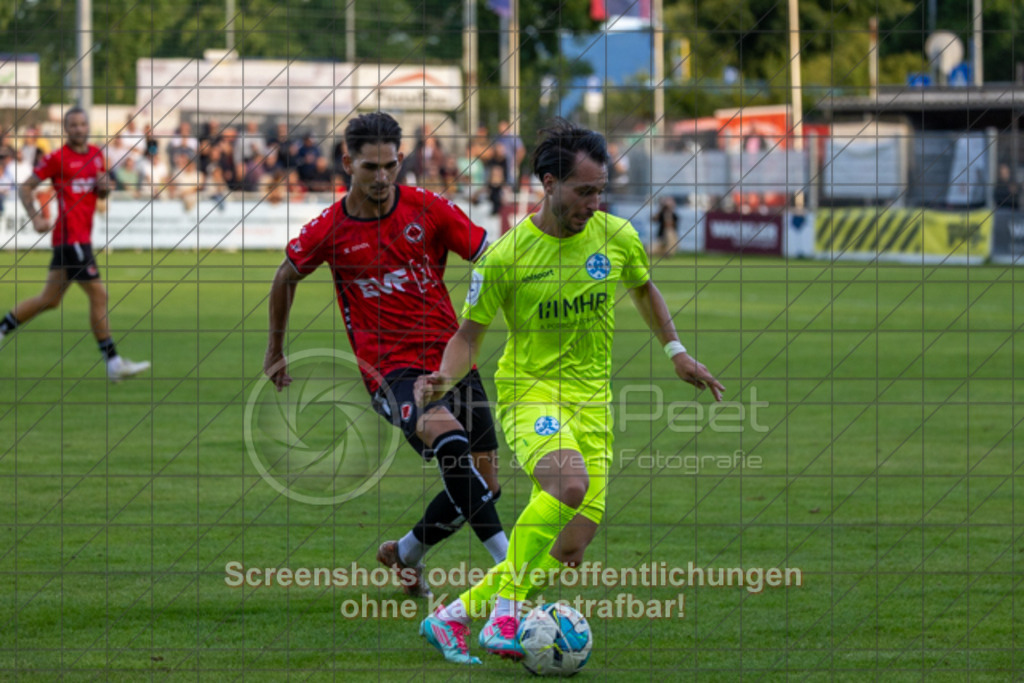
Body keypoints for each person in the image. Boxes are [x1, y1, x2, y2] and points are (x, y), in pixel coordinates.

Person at [417, 119, 725, 665]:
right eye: (584, 191)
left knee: (571, 545)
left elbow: (644, 289)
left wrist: (676, 351)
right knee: (568, 484)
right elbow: (468, 335)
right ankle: (506, 613)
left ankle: (453, 615)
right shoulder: (506, 257)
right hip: (530, 393)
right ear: (549, 183)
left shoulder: (616, 237)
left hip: (593, 403)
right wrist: (444, 378)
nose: (594, 203)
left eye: (600, 190)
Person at [263, 112, 509, 598]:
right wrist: (275, 348)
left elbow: (492, 257)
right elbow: (285, 276)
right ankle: (512, 567)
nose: (382, 177)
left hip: (453, 361)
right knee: (451, 444)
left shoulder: (427, 208)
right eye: (370, 167)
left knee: (486, 487)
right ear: (347, 162)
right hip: (389, 372)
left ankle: (405, 552)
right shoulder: (330, 228)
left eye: (390, 165)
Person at [0, 107, 151, 382]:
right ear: (66, 129)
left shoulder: (96, 155)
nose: (79, 129)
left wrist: (104, 188)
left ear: (88, 127)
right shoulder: (57, 158)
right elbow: (25, 187)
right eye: (73, 125)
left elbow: (100, 193)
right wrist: (36, 217)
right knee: (99, 296)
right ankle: (114, 363)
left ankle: (2, 329)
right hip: (72, 239)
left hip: (77, 238)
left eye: (82, 124)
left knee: (49, 299)